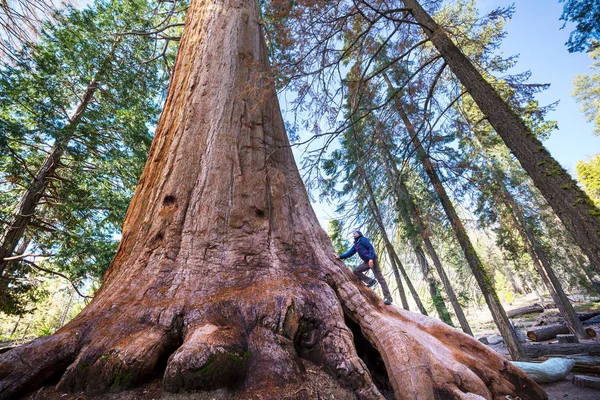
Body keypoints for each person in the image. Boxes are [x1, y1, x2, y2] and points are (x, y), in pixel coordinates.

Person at [335, 230, 393, 305]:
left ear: (359, 234)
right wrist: (340, 257)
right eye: (353, 233)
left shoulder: (363, 239)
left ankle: (388, 297)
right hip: (367, 262)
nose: (353, 234)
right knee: (356, 271)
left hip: (372, 259)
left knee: (379, 277)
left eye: (355, 233)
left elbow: (370, 247)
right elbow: (349, 253)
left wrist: (371, 258)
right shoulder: (356, 245)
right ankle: (370, 281)